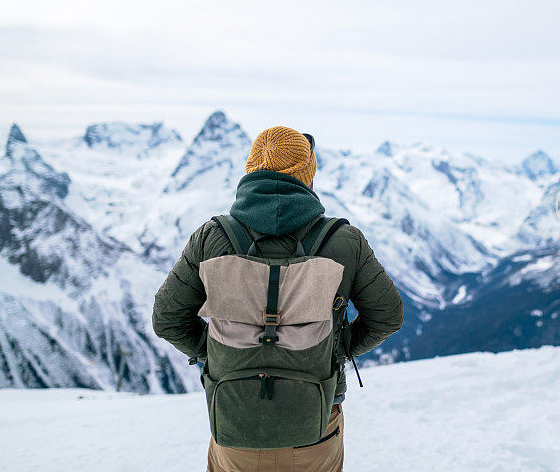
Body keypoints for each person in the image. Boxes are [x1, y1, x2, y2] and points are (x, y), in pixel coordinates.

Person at [152, 125, 404, 471]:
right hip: (315, 418)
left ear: (251, 170)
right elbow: (387, 316)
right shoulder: (344, 241)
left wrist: (216, 352)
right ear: (308, 176)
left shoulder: (211, 237)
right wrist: (336, 348)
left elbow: (167, 319)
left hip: (235, 418)